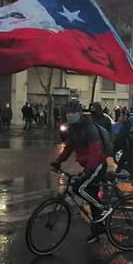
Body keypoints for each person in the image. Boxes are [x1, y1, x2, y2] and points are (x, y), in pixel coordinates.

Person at [51, 101, 109, 244]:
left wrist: (89, 170)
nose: (70, 116)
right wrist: (59, 161)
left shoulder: (89, 128)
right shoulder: (73, 129)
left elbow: (95, 151)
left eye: (73, 113)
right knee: (91, 194)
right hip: (88, 166)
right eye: (68, 114)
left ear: (79, 113)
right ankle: (98, 229)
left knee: (79, 188)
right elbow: (69, 147)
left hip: (98, 165)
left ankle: (103, 209)